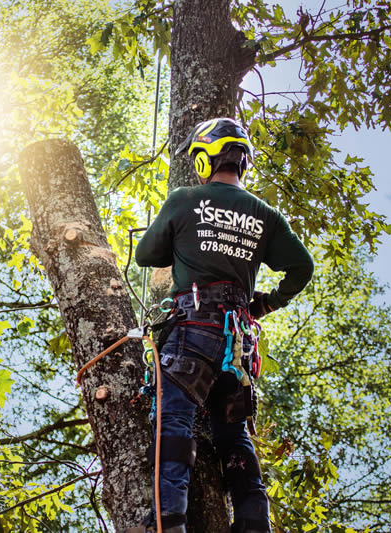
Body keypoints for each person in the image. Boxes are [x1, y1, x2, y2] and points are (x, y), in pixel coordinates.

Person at [128, 118, 314, 533]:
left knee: (173, 424)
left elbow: (145, 255)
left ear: (203, 158)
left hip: (191, 331)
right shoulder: (264, 214)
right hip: (237, 348)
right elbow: (302, 266)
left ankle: (168, 523)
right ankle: (253, 524)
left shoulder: (185, 198)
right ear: (242, 161)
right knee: (233, 436)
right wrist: (266, 302)